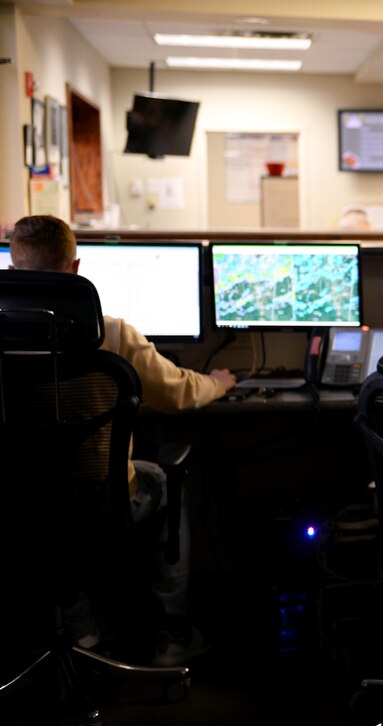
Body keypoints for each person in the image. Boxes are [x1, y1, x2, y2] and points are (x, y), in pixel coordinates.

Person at [7, 215, 237, 667]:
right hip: (99, 504)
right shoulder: (111, 334)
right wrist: (218, 382)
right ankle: (173, 631)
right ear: (75, 268)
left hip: (16, 500)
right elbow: (176, 393)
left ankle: (78, 626)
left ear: (12, 272)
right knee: (164, 480)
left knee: (47, 506)